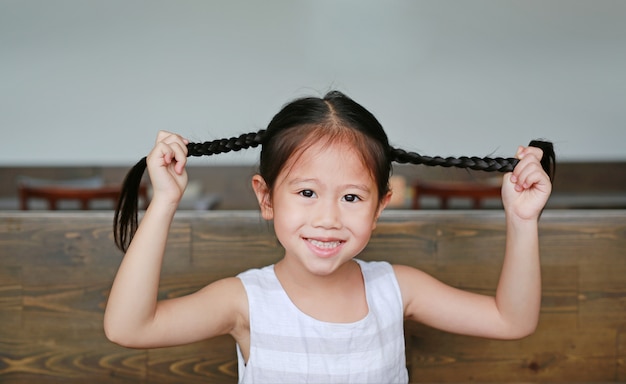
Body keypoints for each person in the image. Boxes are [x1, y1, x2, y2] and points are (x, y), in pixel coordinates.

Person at [104, 90, 554, 383]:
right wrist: (163, 201)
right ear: (266, 199)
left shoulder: (397, 290)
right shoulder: (244, 302)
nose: (328, 218)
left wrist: (521, 219)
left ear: (379, 207)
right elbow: (128, 327)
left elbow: (511, 321)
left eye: (353, 198)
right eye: (306, 192)